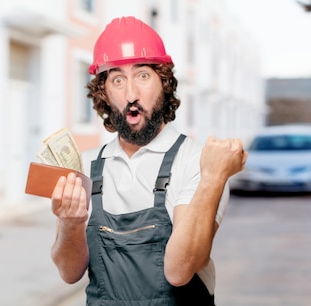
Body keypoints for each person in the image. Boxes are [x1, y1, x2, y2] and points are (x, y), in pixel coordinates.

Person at [49, 16, 247, 305]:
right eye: (117, 80)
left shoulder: (197, 163)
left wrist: (214, 178)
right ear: (104, 93)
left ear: (164, 83)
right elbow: (69, 272)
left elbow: (179, 270)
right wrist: (70, 223)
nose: (131, 94)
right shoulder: (84, 167)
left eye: (142, 75)